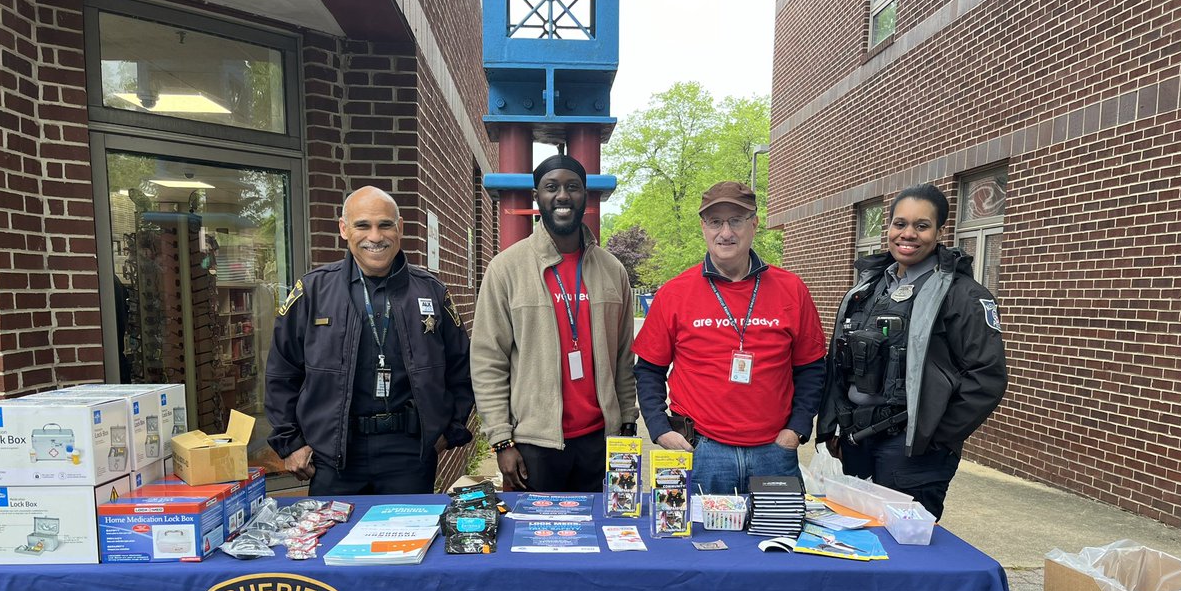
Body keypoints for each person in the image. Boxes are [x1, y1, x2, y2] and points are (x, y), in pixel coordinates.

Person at [265, 186, 473, 495]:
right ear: (344, 229)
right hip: (334, 455)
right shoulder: (312, 292)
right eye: (363, 225)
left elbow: (462, 368)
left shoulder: (431, 291)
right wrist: (290, 443)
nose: (375, 236)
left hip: (408, 453)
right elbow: (281, 373)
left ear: (399, 228)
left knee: (409, 541)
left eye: (385, 225)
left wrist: (449, 429)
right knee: (335, 542)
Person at [817, 183, 1007, 520]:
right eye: (900, 223)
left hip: (912, 452)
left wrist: (934, 437)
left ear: (939, 232)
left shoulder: (963, 295)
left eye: (922, 226)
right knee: (851, 541)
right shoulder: (868, 288)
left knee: (904, 554)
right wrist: (832, 427)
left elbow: (986, 379)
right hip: (854, 442)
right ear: (888, 227)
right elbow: (840, 362)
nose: (908, 234)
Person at [633, 181, 826, 495]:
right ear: (703, 227)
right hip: (702, 453)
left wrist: (796, 431)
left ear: (754, 223)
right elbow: (648, 370)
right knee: (697, 542)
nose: (726, 232)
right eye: (715, 222)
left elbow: (812, 368)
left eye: (736, 220)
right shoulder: (675, 293)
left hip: (774, 453)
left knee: (779, 539)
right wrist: (659, 428)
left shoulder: (791, 289)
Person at [471, 155, 638, 492]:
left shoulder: (612, 270)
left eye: (572, 187)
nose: (563, 195)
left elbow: (623, 356)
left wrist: (628, 422)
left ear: (585, 196)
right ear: (538, 196)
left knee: (598, 539)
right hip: (533, 443)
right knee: (534, 540)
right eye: (552, 187)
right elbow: (488, 361)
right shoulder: (506, 269)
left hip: (600, 440)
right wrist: (502, 440)